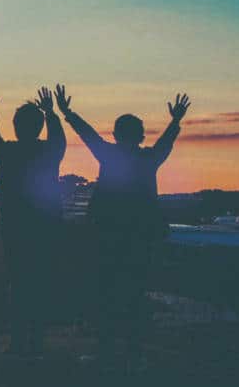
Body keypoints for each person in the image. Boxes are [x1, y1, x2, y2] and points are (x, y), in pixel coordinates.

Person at [58, 91, 191, 374]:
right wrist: (176, 121)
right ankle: (134, 353)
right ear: (140, 136)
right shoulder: (148, 159)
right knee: (134, 296)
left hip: (108, 237)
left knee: (106, 295)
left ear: (116, 135)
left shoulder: (110, 155)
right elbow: (166, 143)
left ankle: (107, 351)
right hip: (139, 239)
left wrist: (68, 114)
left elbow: (88, 135)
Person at [0, 85, 66, 359]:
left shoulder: (8, 153)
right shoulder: (49, 153)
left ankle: (18, 343)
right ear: (39, 126)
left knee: (18, 286)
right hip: (44, 230)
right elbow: (60, 140)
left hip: (14, 230)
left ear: (16, 126)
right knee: (40, 285)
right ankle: (36, 344)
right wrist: (52, 113)